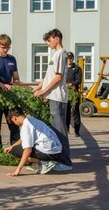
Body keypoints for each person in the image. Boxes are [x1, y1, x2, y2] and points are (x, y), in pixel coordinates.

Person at [33, 28, 72, 171]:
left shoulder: (61, 54)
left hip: (57, 97)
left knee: (60, 131)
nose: (48, 44)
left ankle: (66, 162)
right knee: (56, 130)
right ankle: (59, 160)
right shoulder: (55, 54)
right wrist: (38, 87)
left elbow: (58, 76)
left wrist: (44, 91)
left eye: (49, 41)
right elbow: (49, 76)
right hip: (52, 96)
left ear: (57, 38)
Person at [4, 107, 62, 176]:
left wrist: (17, 170)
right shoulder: (31, 120)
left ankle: (44, 163)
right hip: (57, 151)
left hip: (49, 153)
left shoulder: (26, 126)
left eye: (13, 122)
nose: (15, 124)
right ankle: (42, 162)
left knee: (15, 151)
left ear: (14, 118)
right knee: (14, 148)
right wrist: (12, 146)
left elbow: (28, 150)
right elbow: (23, 139)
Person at [66, 52, 82, 137]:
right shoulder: (64, 68)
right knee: (66, 111)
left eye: (71, 58)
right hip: (65, 93)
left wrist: (71, 84)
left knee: (75, 112)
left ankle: (77, 130)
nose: (69, 59)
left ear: (73, 59)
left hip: (74, 93)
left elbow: (79, 80)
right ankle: (66, 127)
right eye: (68, 58)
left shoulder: (77, 68)